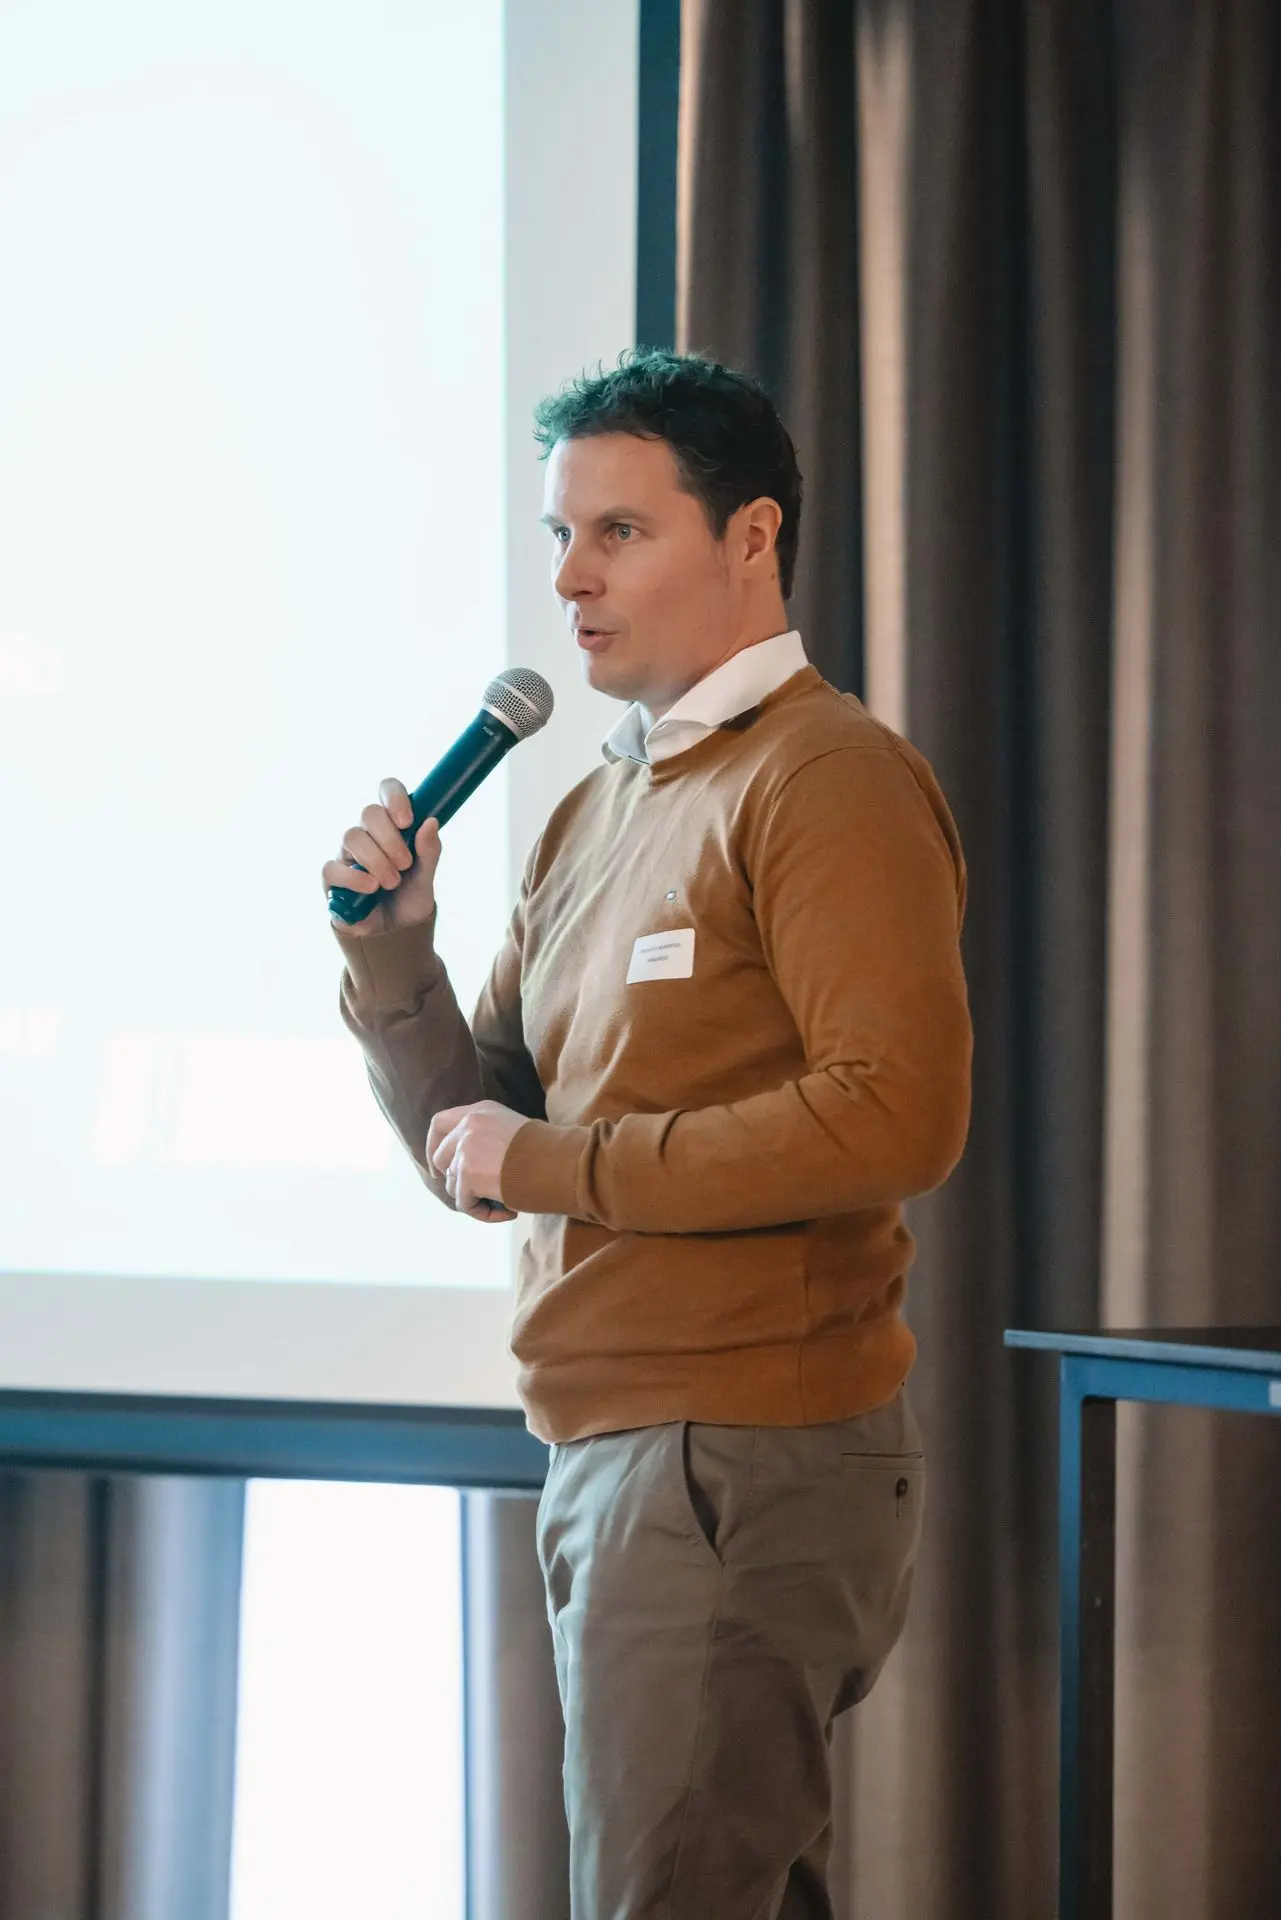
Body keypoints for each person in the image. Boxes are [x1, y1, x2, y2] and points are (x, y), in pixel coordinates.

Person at [324, 347, 973, 1919]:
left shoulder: (825, 777)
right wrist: (393, 961)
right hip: (616, 1444)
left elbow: (894, 1114)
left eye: (619, 532)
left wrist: (549, 1165)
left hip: (738, 1451)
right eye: (562, 535)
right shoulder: (596, 804)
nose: (571, 578)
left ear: (752, 536)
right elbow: (479, 1135)